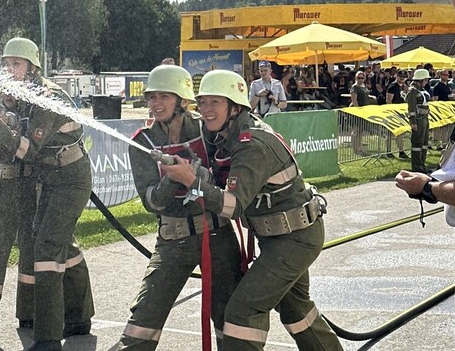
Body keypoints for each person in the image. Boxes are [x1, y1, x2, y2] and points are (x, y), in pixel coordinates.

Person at [162, 69, 343, 351]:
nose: (206, 110)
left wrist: (191, 181)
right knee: (296, 312)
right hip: (283, 237)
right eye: (203, 102)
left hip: (293, 239)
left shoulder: (251, 144)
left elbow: (232, 206)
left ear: (235, 107)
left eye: (215, 102)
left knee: (242, 313)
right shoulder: (229, 135)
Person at [0, 37, 94, 351]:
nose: (10, 69)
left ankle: (54, 331)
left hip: (59, 177)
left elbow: (27, 148)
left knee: (47, 247)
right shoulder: (11, 94)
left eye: (17, 64)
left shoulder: (45, 97)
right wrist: (1, 118)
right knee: (4, 249)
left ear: (32, 68)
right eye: (6, 63)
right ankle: (11, 323)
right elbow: (6, 150)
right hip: (25, 179)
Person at [116, 65, 242, 350]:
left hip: (217, 236)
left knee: (230, 319)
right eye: (151, 97)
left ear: (182, 101)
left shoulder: (207, 130)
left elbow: (228, 178)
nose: (155, 104)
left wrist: (197, 177)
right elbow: (151, 202)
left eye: (164, 96)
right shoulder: (142, 143)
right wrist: (170, 180)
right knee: (144, 319)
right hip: (173, 241)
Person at [406, 68, 432, 173]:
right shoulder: (413, 91)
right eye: (425, 80)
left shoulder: (422, 90)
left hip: (425, 118)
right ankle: (416, 167)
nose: (426, 82)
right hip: (418, 119)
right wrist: (413, 122)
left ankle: (422, 165)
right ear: (420, 80)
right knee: (417, 143)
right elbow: (411, 107)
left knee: (424, 143)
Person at [385, 70, 409, 159]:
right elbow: (388, 100)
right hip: (393, 112)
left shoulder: (404, 87)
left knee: (400, 133)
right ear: (396, 76)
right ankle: (388, 151)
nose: (402, 78)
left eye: (404, 77)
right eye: (400, 76)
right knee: (390, 133)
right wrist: (391, 112)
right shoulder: (392, 86)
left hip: (401, 112)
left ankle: (401, 151)